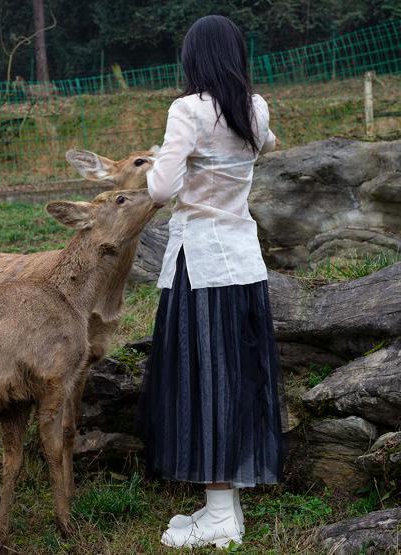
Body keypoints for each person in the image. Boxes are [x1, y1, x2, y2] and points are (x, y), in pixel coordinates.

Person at [139, 14, 288, 550]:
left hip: (199, 265)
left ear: (193, 58)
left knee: (204, 381)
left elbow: (160, 190)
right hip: (243, 264)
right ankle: (226, 510)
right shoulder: (255, 105)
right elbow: (268, 143)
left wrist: (161, 160)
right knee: (237, 377)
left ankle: (220, 516)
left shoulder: (187, 110)